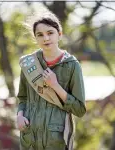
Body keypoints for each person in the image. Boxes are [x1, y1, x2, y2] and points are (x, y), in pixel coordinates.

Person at [16, 10, 86, 150]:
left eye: (50, 33)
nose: (46, 38)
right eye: (40, 35)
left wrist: (55, 86)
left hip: (56, 142)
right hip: (30, 140)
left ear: (59, 34)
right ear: (35, 38)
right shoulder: (29, 64)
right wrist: (19, 115)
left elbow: (79, 109)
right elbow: (22, 97)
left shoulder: (72, 66)